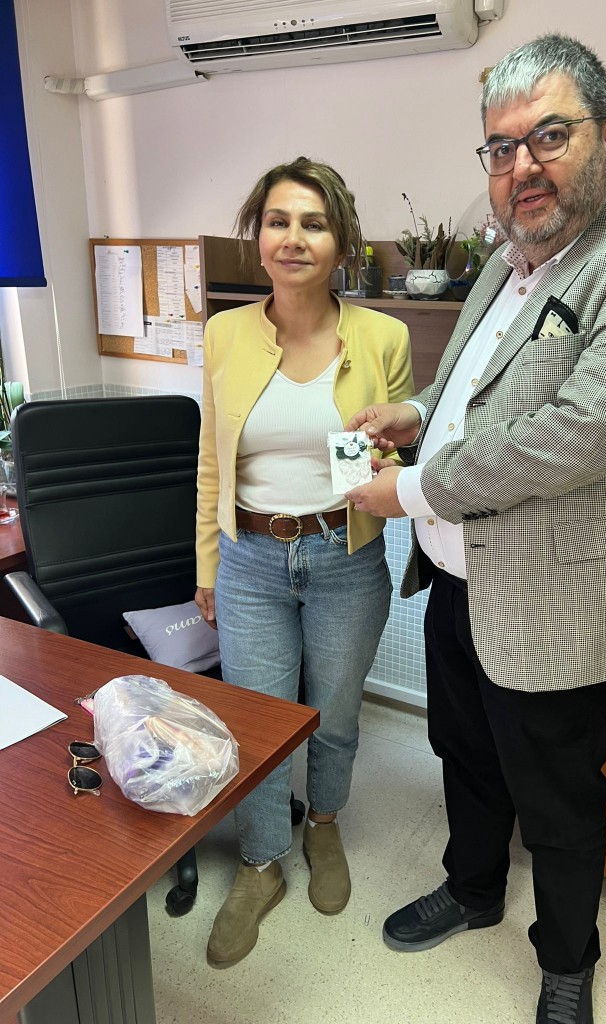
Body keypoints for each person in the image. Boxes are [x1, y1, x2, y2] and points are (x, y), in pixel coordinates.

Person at [345, 34, 606, 1024]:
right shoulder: (509, 258)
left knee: (558, 798)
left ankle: (566, 963)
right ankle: (472, 888)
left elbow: (569, 439)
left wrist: (410, 490)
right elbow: (472, 389)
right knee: (464, 756)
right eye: (501, 148)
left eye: (549, 136)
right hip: (457, 579)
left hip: (559, 595)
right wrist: (415, 415)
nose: (523, 166)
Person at [195, 156, 413, 967]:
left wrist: (393, 462)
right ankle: (261, 864)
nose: (293, 238)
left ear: (341, 243)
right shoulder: (224, 333)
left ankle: (323, 824)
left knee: (336, 713)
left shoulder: (382, 337)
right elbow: (211, 463)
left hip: (344, 557)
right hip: (250, 558)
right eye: (278, 221)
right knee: (255, 724)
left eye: (313, 224)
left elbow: (394, 453)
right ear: (257, 237)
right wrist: (207, 567)